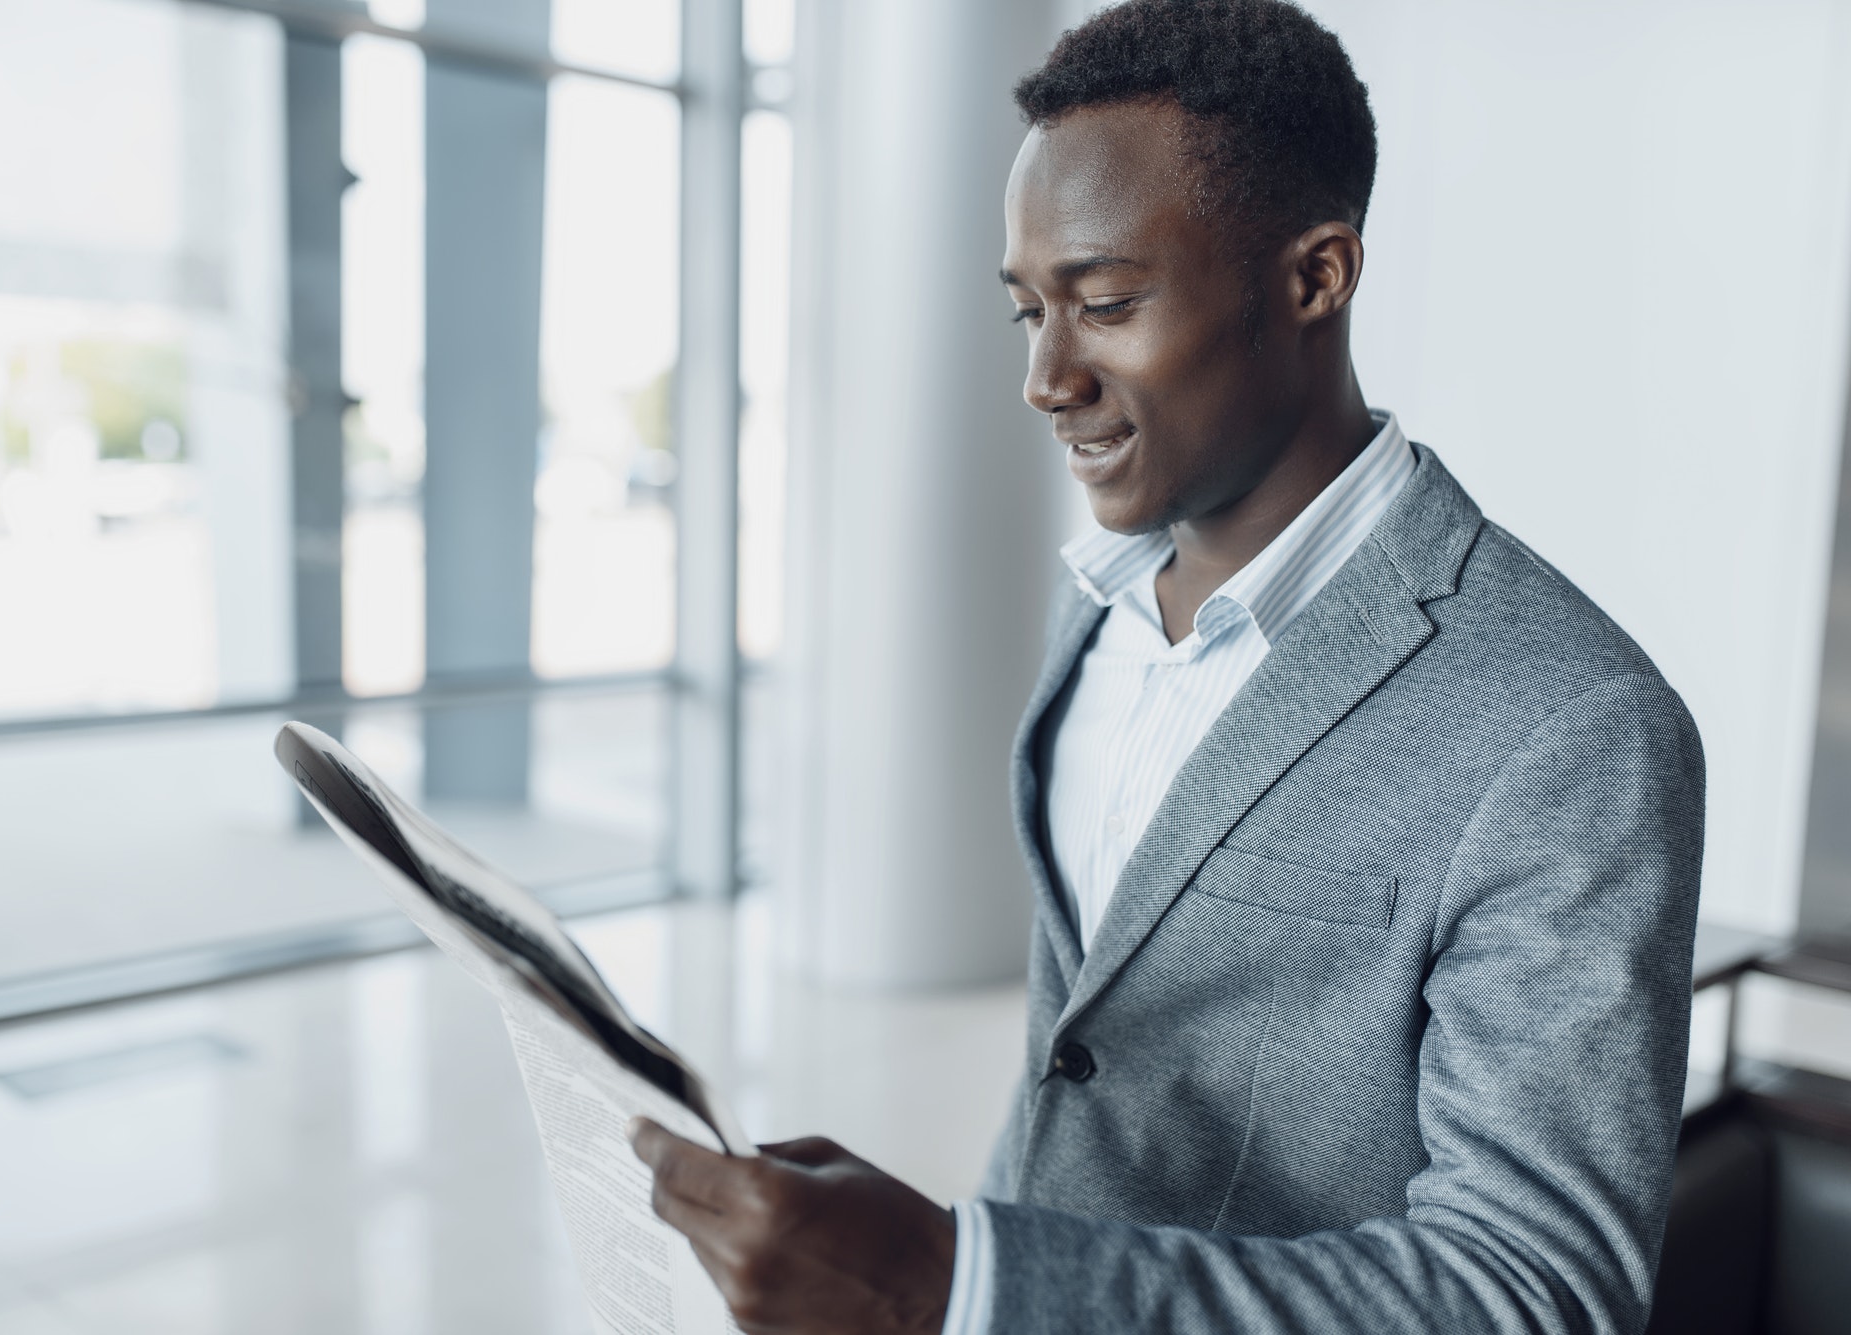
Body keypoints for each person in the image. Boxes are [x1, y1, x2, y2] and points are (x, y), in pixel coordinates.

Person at [629, 1, 1706, 1331]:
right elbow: (1081, 1069)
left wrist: (957, 1283)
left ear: (1314, 277)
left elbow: (1534, 1293)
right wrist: (952, 1258)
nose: (1044, 376)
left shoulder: (1574, 724)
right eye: (1029, 310)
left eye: (1109, 302)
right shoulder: (1097, 612)